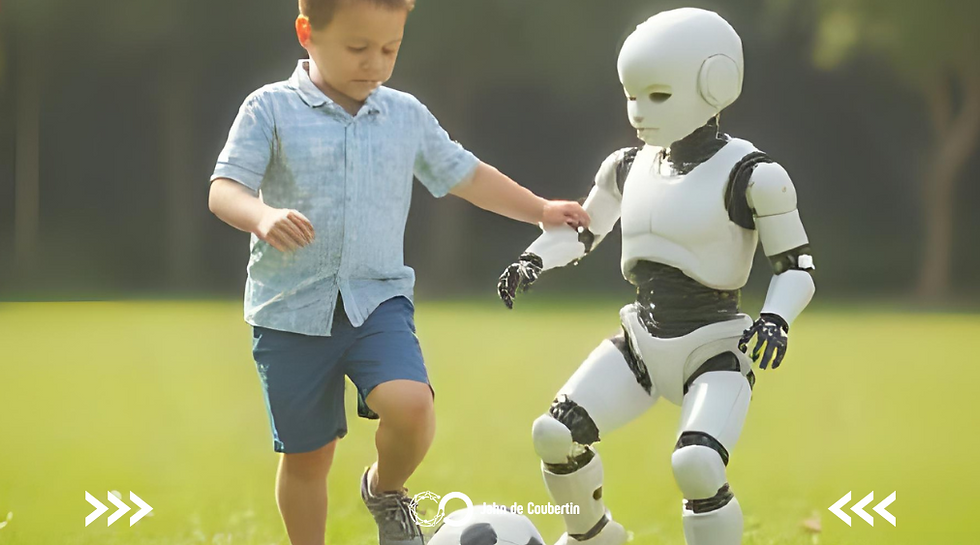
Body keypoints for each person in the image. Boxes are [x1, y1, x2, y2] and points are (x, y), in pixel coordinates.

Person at [207, 1, 590, 544]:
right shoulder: (268, 109)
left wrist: (540, 210)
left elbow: (467, 174)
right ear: (306, 33)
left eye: (390, 49)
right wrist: (262, 215)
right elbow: (224, 189)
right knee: (308, 457)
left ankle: (384, 490)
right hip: (289, 311)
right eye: (358, 49)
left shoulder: (404, 114)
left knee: (411, 406)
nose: (375, 64)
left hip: (376, 301)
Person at [498, 8, 815, 545]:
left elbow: (796, 266)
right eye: (632, 96)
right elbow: (583, 229)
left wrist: (776, 319)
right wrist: (533, 258)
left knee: (697, 465)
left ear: (715, 82)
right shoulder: (626, 165)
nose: (638, 112)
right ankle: (593, 537)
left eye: (658, 96)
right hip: (641, 342)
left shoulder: (754, 175)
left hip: (714, 347)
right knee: (554, 434)